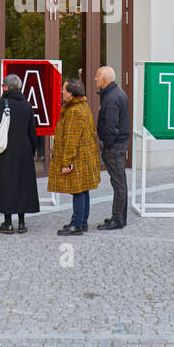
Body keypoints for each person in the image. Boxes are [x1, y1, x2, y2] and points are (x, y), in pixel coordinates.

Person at [0, 74, 40, 233]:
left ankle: (7, 223)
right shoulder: (27, 105)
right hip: (24, 151)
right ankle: (22, 223)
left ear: (6, 87)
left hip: (6, 151)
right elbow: (32, 133)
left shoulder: (3, 103)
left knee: (7, 185)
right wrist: (32, 151)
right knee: (22, 185)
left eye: (3, 85)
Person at [49, 78, 101, 236]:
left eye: (64, 90)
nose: (62, 92)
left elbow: (71, 140)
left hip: (79, 158)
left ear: (71, 94)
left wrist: (66, 162)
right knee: (83, 190)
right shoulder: (82, 106)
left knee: (78, 190)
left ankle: (77, 225)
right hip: (85, 157)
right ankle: (82, 222)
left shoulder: (75, 112)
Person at [94, 66, 131, 230]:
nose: (95, 79)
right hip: (118, 143)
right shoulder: (115, 93)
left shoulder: (111, 98)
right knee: (120, 181)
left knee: (118, 183)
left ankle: (118, 219)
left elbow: (111, 126)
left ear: (105, 79)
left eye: (97, 76)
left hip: (114, 146)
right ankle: (120, 217)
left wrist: (106, 146)